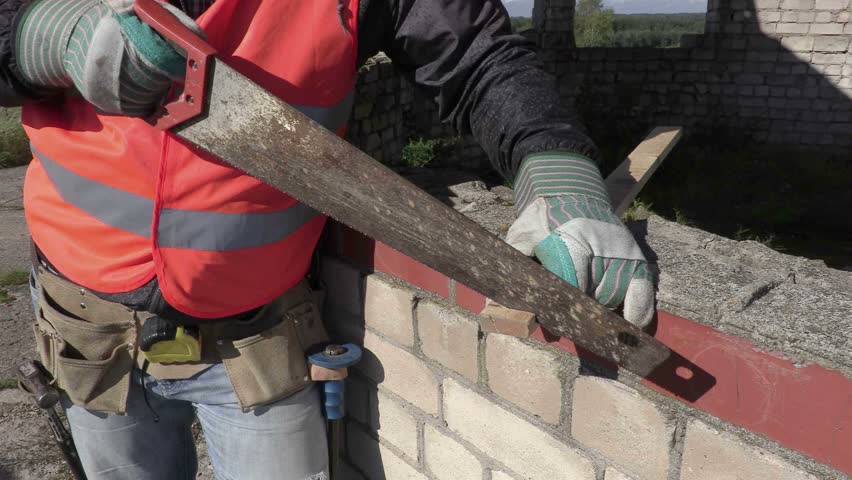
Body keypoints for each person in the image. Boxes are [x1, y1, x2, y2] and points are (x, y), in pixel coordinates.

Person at [0, 0, 655, 478]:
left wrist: (559, 175)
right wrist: (44, 34)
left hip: (256, 340)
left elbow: (479, 56)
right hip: (90, 329)